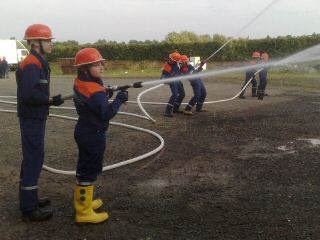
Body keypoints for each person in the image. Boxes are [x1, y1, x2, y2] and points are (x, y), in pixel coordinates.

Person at [73, 48, 128, 224]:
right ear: (84, 69)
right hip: (93, 134)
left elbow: (92, 97)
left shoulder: (81, 82)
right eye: (96, 65)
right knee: (88, 173)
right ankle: (83, 213)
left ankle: (85, 203)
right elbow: (106, 113)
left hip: (85, 130)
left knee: (85, 170)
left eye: (101, 63)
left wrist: (106, 92)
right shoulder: (94, 90)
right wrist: (119, 99)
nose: (102, 67)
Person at [16, 24, 64, 221]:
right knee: (33, 159)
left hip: (35, 116)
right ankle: (28, 208)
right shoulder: (32, 64)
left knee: (34, 158)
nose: (51, 44)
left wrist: (49, 100)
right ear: (36, 43)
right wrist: (50, 100)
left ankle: (31, 197)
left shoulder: (38, 61)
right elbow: (29, 95)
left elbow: (36, 91)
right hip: (31, 117)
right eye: (48, 41)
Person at [162, 52, 185, 117]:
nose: (170, 60)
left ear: (175, 61)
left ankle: (175, 109)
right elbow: (163, 77)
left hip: (178, 81)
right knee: (175, 95)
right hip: (173, 82)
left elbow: (180, 68)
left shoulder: (177, 63)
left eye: (172, 60)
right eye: (170, 59)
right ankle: (167, 112)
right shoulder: (167, 67)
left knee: (182, 94)